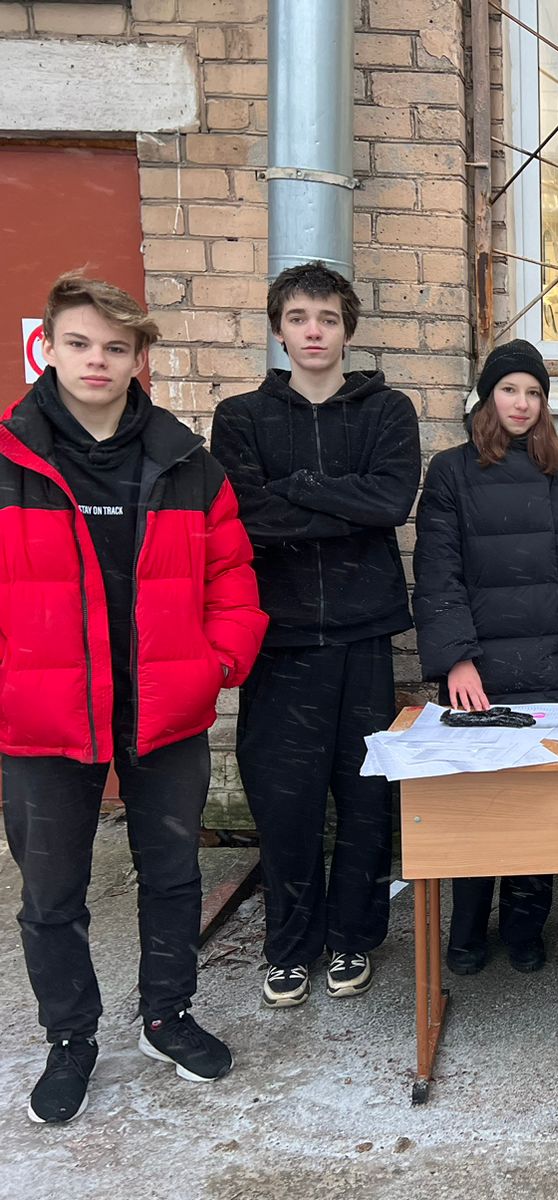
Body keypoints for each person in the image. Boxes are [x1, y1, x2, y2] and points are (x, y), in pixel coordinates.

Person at [1, 273, 267, 1123]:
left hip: (164, 708)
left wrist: (217, 663)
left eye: (116, 347)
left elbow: (232, 576)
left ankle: (166, 1015)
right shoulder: (10, 459)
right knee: (52, 893)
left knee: (173, 874)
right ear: (49, 346)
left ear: (139, 358)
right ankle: (69, 1037)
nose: (98, 361)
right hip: (43, 717)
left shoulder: (186, 462)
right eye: (80, 343)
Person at [211, 262, 421, 1009]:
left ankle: (354, 936)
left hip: (364, 635)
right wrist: (341, 506)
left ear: (346, 330)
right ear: (279, 330)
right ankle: (291, 947)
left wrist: (296, 488)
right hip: (281, 639)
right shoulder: (242, 418)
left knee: (363, 796)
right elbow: (248, 516)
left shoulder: (386, 410)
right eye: (299, 318)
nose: (313, 331)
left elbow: (390, 501)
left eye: (327, 318)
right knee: (286, 801)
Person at [412, 340, 558, 976]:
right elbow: (438, 572)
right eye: (510, 390)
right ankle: (466, 931)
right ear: (488, 397)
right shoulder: (451, 471)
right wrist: (457, 659)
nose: (522, 403)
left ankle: (524, 926)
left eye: (534, 393)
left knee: (538, 808)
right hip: (482, 672)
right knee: (479, 804)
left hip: (554, 666)